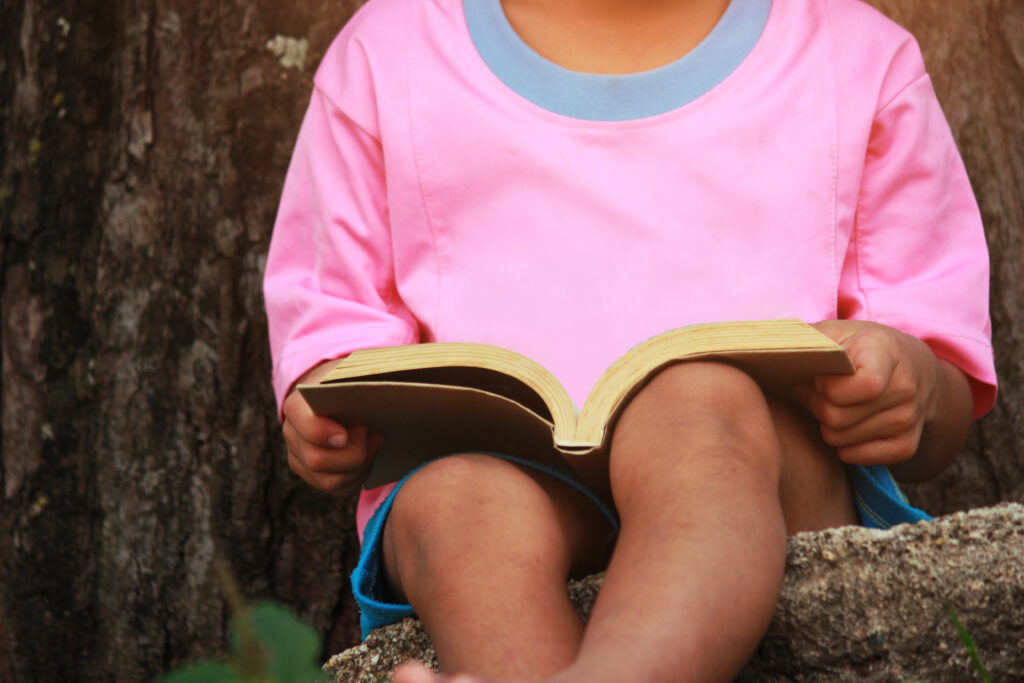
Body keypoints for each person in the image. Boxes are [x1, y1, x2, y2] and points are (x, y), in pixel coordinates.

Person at [263, 0, 998, 680]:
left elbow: (940, 399)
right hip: (511, 481)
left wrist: (911, 387)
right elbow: (336, 339)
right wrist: (328, 419)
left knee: (699, 403)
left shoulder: (854, 58)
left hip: (757, 474)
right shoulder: (389, 53)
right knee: (452, 498)